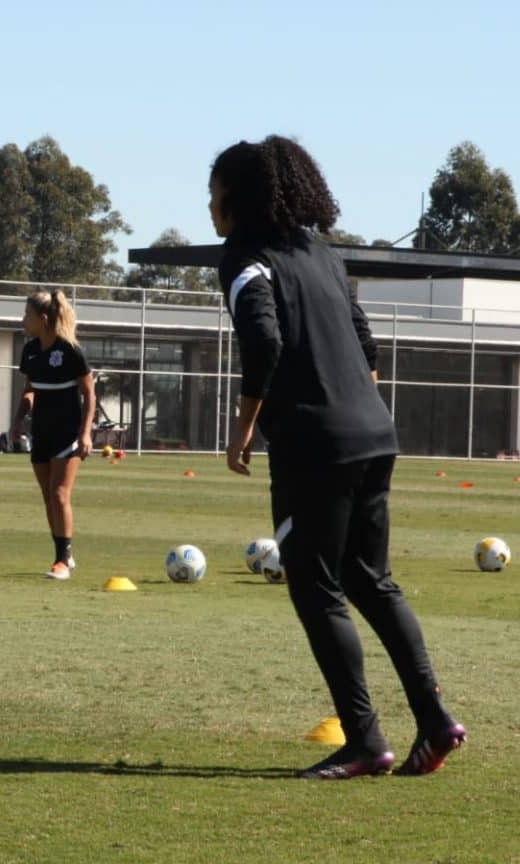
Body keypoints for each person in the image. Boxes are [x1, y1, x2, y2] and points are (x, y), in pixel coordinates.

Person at [211, 135, 465, 779]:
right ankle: (435, 723)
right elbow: (364, 340)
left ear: (237, 202)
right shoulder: (321, 254)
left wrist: (245, 427)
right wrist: (358, 412)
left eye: (214, 197)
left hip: (314, 445)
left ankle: (365, 741)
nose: (210, 210)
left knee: (317, 587)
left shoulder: (245, 256)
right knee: (370, 581)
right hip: (373, 434)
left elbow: (263, 341)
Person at [10, 289, 95, 580]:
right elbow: (30, 390)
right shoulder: (31, 350)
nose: (23, 320)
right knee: (48, 498)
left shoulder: (70, 350)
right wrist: (17, 421)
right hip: (41, 432)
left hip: (67, 433)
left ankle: (62, 559)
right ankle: (63, 552)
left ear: (43, 319)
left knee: (60, 495)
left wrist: (85, 434)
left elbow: (89, 393)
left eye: (27, 315)